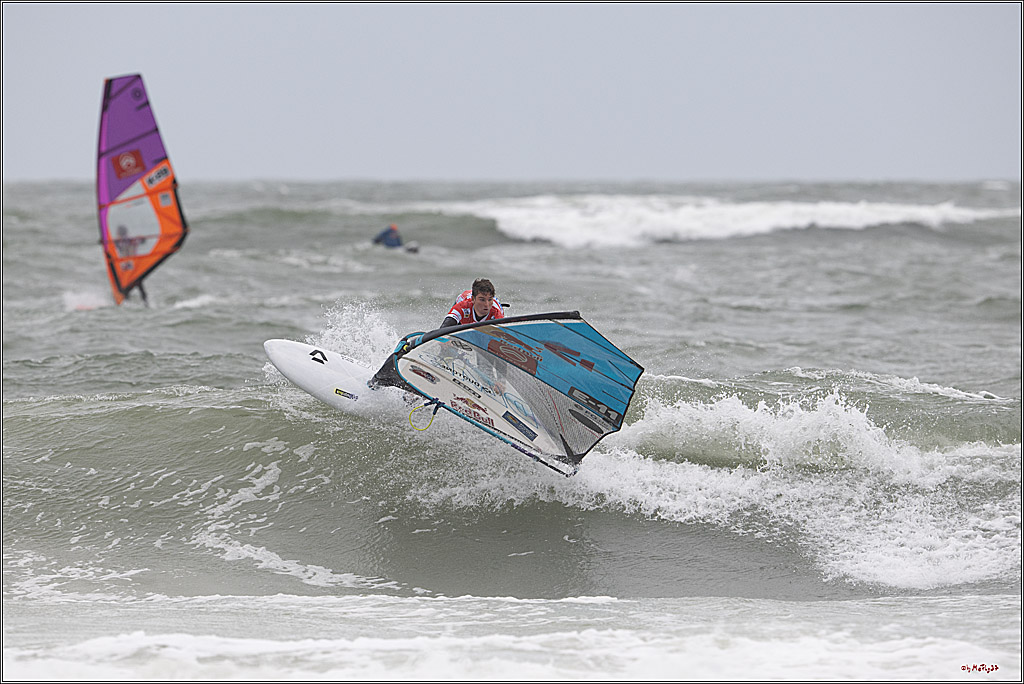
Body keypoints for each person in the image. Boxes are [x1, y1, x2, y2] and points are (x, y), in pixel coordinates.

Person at [440, 278, 504, 328]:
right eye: (482, 300)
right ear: (473, 299)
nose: (486, 305)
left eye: (490, 300)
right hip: (464, 299)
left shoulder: (496, 313)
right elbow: (443, 330)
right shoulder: (462, 306)